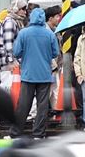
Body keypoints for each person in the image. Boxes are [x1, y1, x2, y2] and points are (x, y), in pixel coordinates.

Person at [8, 8, 59, 138]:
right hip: (45, 75)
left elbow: (17, 52)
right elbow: (55, 53)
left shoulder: (24, 33)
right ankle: (38, 133)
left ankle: (15, 133)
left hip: (28, 74)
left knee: (23, 105)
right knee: (42, 107)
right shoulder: (49, 34)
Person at [0, 0, 28, 92]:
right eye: (22, 9)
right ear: (16, 9)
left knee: (13, 87)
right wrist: (11, 61)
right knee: (8, 86)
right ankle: (4, 106)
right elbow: (8, 43)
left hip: (12, 61)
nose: (25, 12)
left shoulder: (16, 21)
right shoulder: (10, 22)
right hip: (9, 63)